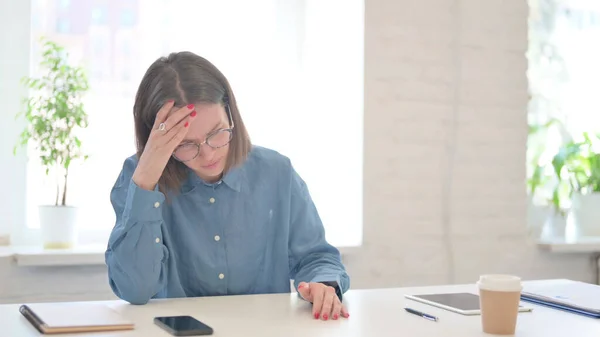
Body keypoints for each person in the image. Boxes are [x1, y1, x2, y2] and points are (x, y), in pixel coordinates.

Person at [105, 51, 350, 321]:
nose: (208, 154)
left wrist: (323, 286)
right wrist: (146, 181)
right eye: (185, 144)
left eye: (217, 133)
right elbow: (135, 289)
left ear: (231, 115)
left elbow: (316, 257)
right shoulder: (139, 176)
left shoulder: (276, 171)